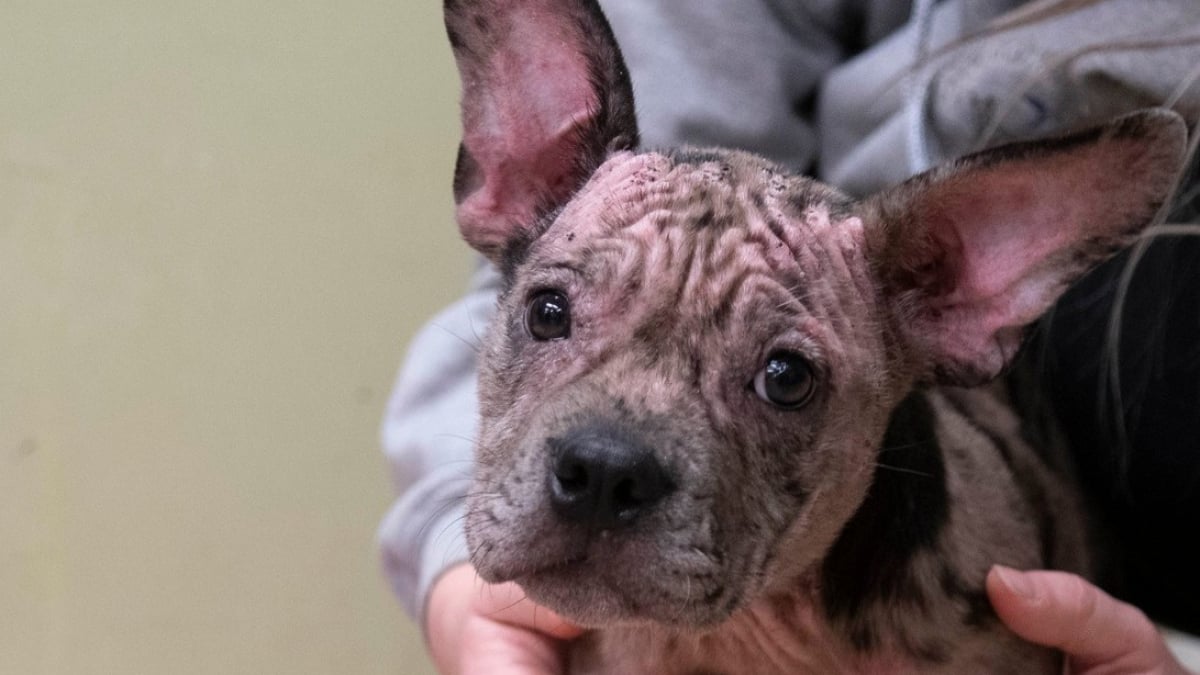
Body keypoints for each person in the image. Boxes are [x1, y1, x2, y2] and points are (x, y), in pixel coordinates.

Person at [378, 0, 1200, 673]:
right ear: (511, 179)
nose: (605, 453)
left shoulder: (986, 634)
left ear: (952, 302)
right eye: (552, 315)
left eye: (783, 377)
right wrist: (451, 568)